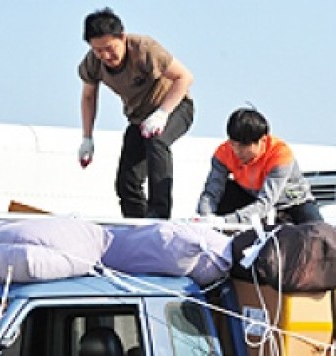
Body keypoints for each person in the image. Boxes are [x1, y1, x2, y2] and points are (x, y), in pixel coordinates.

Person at [78, 8, 195, 219]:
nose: (105, 56)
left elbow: (184, 77)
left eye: (109, 48)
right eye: (98, 50)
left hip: (174, 106)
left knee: (157, 141)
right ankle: (137, 225)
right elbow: (88, 96)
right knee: (126, 181)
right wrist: (87, 137)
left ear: (122, 37)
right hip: (139, 118)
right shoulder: (93, 63)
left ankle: (159, 216)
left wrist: (162, 114)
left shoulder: (144, 49)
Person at [197, 108, 322, 225]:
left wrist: (227, 221)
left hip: (292, 203)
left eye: (244, 146)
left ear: (262, 140)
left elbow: (265, 203)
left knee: (318, 232)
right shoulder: (223, 153)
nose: (237, 151)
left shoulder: (280, 154)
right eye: (233, 144)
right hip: (251, 199)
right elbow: (210, 193)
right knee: (225, 191)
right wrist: (206, 218)